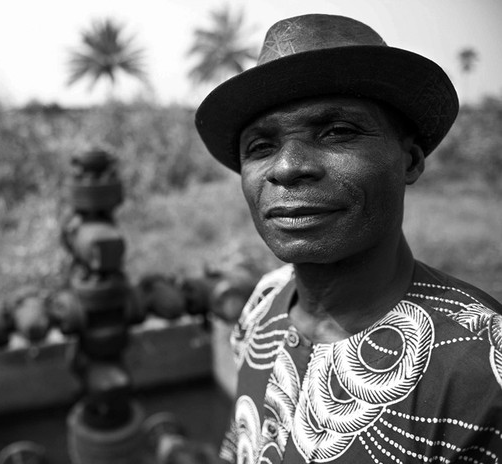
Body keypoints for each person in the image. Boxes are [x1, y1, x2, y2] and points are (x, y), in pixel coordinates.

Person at [194, 13, 502, 464]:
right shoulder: (264, 301)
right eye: (260, 146)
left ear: (411, 160)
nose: (286, 167)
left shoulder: (482, 367)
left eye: (338, 132)